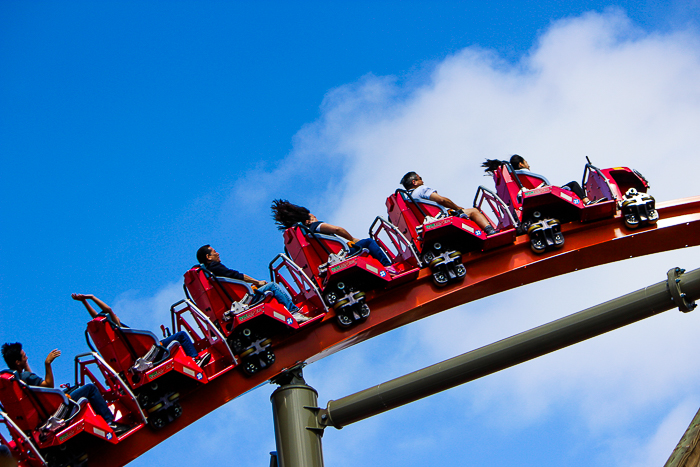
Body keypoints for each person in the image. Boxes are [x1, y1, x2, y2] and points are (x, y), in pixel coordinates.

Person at [1, 342, 128, 434]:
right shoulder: (25, 376)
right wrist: (48, 364)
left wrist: (25, 365)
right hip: (57, 409)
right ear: (17, 362)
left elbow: (34, 384)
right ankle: (110, 422)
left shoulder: (16, 380)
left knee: (73, 389)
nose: (27, 357)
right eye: (24, 356)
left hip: (41, 415)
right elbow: (48, 386)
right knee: (90, 388)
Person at [71, 293, 211, 367]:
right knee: (181, 336)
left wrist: (84, 302)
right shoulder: (119, 330)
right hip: (151, 352)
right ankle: (195, 359)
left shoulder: (113, 340)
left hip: (138, 358)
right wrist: (91, 297)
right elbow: (108, 310)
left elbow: (97, 316)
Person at [195, 245, 311, 323]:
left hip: (239, 300)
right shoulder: (215, 268)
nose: (218, 253)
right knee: (272, 286)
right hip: (244, 301)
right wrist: (257, 282)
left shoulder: (209, 274)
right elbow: (237, 276)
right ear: (208, 257)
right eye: (214, 252)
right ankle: (294, 312)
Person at [270, 200, 393, 267]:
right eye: (313, 216)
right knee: (368, 242)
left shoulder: (300, 239)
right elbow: (337, 230)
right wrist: (352, 239)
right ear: (307, 220)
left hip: (323, 264)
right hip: (339, 257)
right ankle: (388, 267)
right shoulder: (314, 227)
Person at [399, 172, 497, 235]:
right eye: (420, 178)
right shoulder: (421, 189)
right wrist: (457, 208)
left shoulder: (407, 200)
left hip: (427, 226)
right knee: (473, 211)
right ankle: (490, 231)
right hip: (441, 220)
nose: (422, 180)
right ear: (414, 182)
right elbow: (442, 200)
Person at [507, 154, 602, 205]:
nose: (528, 165)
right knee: (573, 184)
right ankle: (587, 202)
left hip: (535, 199)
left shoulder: (516, 180)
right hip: (548, 195)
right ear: (521, 164)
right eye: (526, 162)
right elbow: (545, 187)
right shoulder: (530, 177)